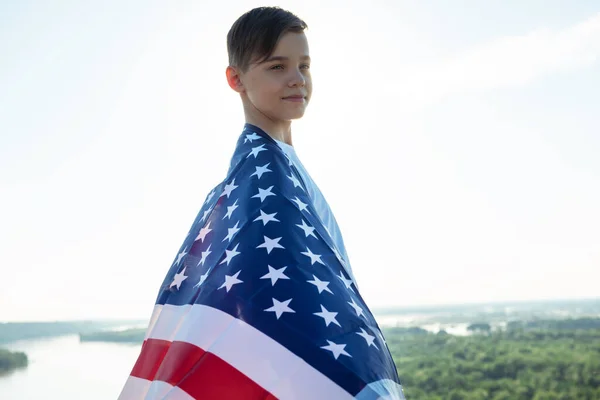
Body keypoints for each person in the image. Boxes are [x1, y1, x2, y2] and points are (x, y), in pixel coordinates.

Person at [118, 6, 405, 400]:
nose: (297, 79)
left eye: (304, 65)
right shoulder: (261, 181)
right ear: (235, 79)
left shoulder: (285, 170)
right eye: (276, 67)